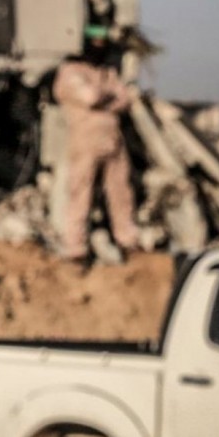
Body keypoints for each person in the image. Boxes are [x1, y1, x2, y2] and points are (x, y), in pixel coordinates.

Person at [52, 25, 139, 263]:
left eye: (103, 42)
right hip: (85, 142)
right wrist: (110, 95)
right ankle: (75, 248)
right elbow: (91, 97)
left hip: (113, 141)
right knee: (80, 193)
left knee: (121, 193)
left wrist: (108, 96)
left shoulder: (106, 71)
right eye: (95, 42)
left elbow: (125, 99)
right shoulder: (70, 71)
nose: (99, 47)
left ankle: (128, 241)